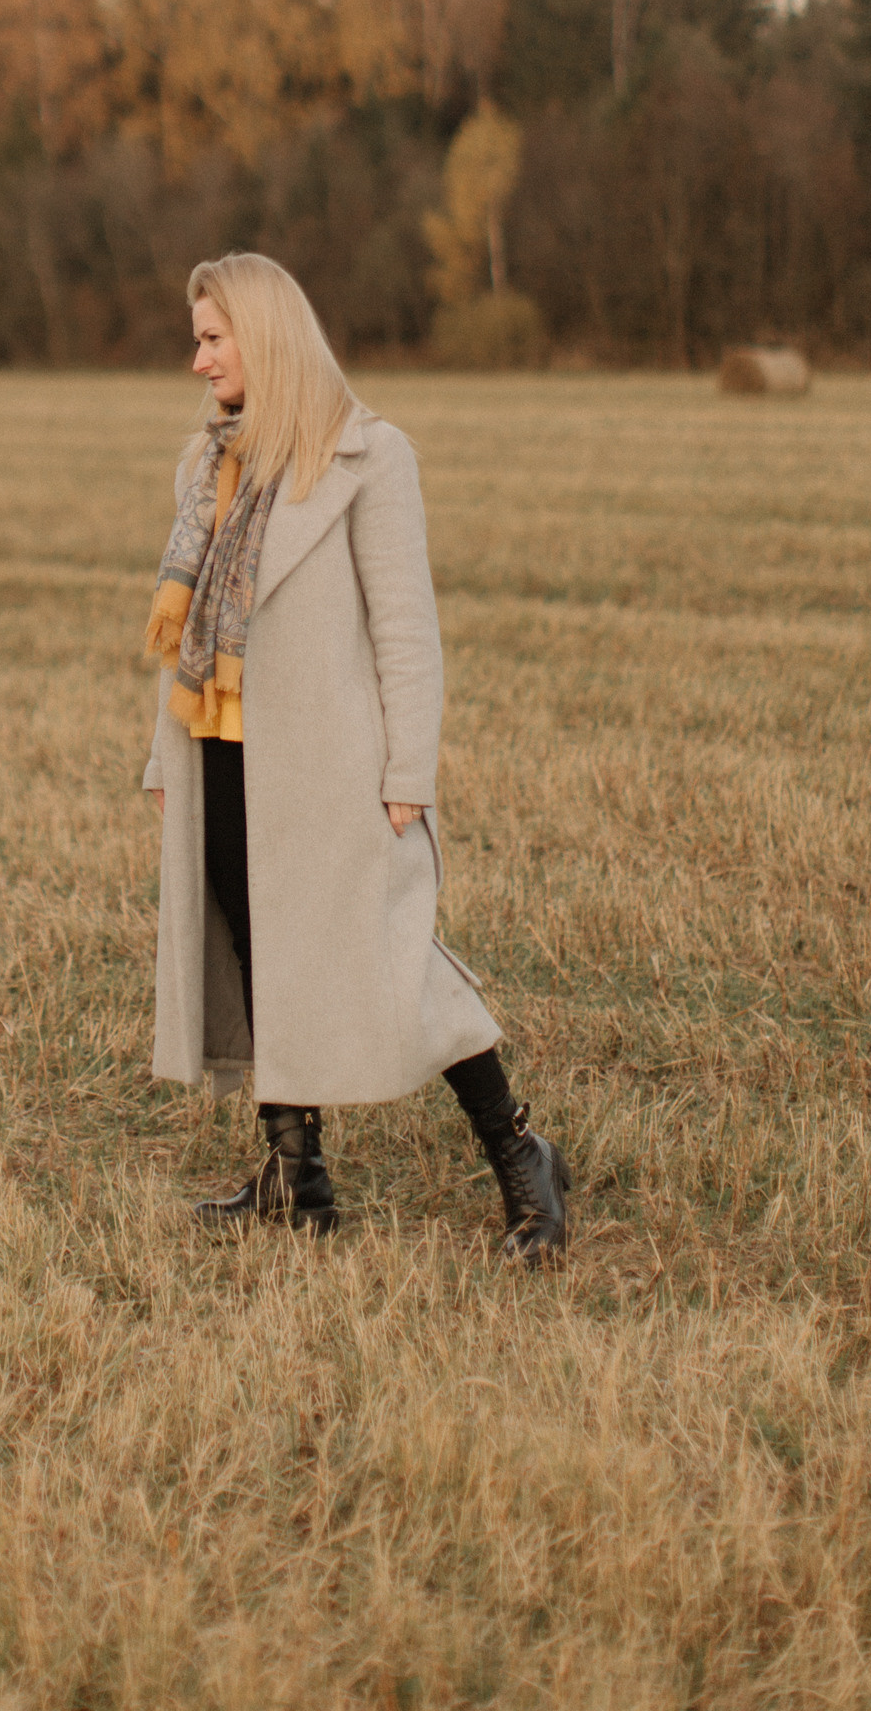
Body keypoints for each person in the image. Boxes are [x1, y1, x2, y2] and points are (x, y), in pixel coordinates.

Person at [142, 250, 569, 1263]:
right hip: (221, 756)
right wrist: (164, 760)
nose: (198, 361)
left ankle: (521, 1155)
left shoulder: (371, 458)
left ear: (265, 336)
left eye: (213, 338)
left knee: (395, 960)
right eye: (197, 340)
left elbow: (406, 631)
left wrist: (407, 774)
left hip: (332, 769)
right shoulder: (207, 466)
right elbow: (187, 627)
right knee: (261, 959)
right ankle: (297, 1179)